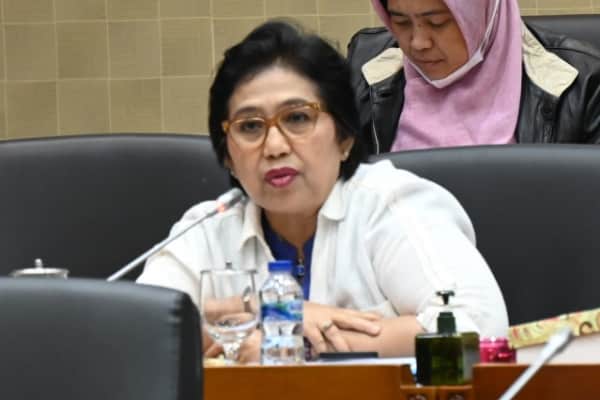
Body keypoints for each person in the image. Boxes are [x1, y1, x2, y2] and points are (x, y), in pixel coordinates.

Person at [137, 20, 508, 362]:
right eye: (250, 126)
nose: (274, 146)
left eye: (298, 118)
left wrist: (294, 340)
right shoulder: (206, 228)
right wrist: (264, 311)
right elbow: (140, 333)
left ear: (344, 137)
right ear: (227, 154)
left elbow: (478, 327)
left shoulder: (391, 206)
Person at [348, 0, 600, 154]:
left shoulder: (581, 83)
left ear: (482, 14)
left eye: (437, 23)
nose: (418, 43)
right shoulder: (367, 75)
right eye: (401, 23)